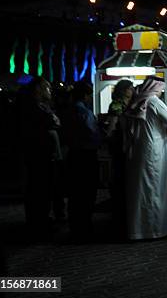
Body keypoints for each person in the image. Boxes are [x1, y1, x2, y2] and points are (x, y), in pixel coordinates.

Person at [123, 76, 167, 240]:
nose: (161, 91)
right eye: (161, 88)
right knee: (153, 190)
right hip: (153, 152)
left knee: (139, 190)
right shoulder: (154, 101)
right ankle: (153, 230)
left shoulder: (138, 100)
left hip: (137, 151)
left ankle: (136, 229)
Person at [20, 77, 63, 239]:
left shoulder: (41, 107)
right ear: (39, 89)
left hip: (43, 155)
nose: (50, 91)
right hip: (41, 156)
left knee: (43, 190)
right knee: (40, 190)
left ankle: (41, 221)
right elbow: (53, 122)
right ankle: (40, 224)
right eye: (47, 88)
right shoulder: (36, 108)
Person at [66, 81, 102, 241]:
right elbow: (93, 134)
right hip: (86, 155)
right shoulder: (85, 113)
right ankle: (85, 228)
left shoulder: (69, 110)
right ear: (86, 95)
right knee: (87, 192)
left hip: (73, 154)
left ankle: (75, 226)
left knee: (75, 193)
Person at [101, 79, 134, 236]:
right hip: (120, 145)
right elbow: (112, 126)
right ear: (123, 90)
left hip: (127, 143)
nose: (132, 91)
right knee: (119, 175)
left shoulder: (130, 103)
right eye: (130, 88)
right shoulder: (117, 104)